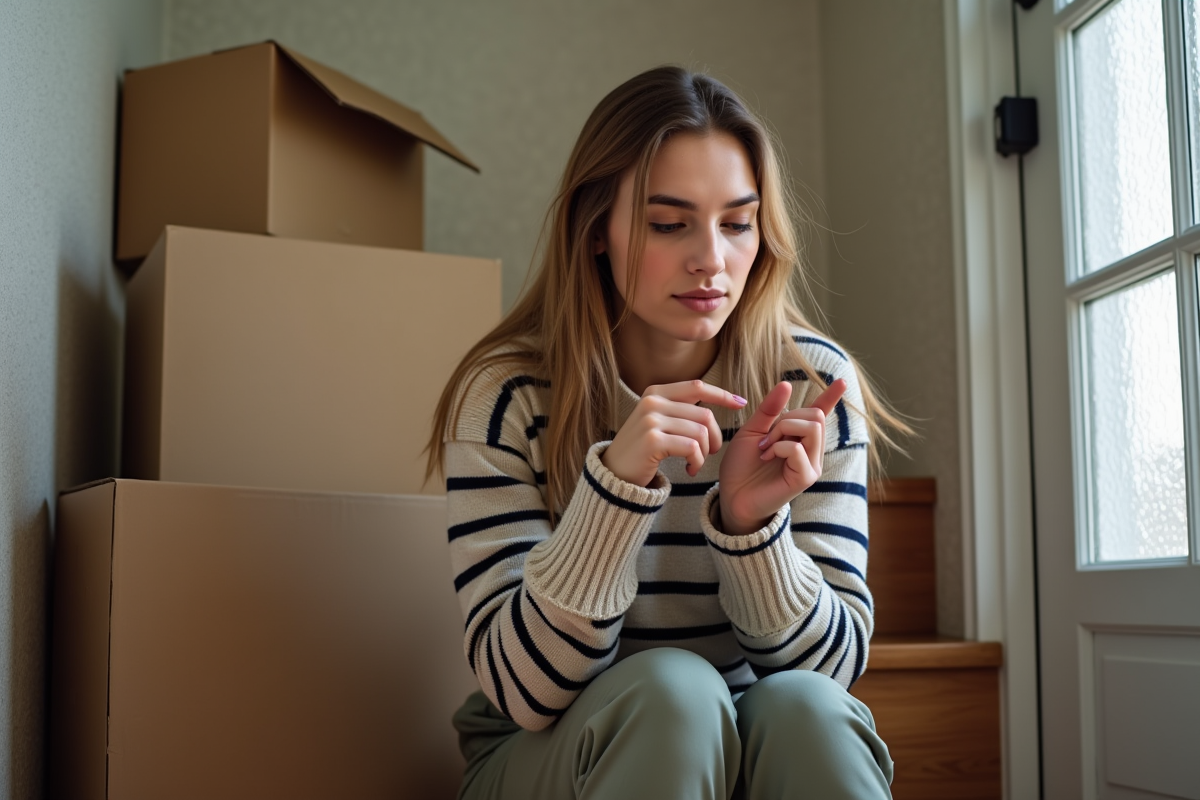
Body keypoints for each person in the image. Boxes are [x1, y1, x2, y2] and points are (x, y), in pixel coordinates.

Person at [426, 65, 907, 800]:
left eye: (737, 224)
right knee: (672, 693)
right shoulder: (507, 395)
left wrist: (750, 530)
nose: (711, 259)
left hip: (745, 741)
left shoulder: (812, 386)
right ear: (596, 229)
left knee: (808, 714)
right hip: (547, 754)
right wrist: (613, 493)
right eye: (668, 223)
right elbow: (527, 692)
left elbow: (831, 676)